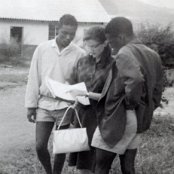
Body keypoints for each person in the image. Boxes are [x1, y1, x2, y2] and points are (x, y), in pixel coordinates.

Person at [69, 17, 163, 174]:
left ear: (121, 37)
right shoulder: (152, 54)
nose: (111, 46)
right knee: (127, 165)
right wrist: (147, 107)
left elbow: (136, 80)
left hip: (121, 117)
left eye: (111, 41)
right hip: (140, 117)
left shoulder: (125, 52)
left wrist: (130, 104)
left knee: (100, 165)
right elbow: (158, 88)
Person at [25, 14, 85, 174]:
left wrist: (75, 103)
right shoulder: (42, 48)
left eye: (72, 34)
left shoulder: (79, 53)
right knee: (40, 145)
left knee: (61, 146)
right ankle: (49, 171)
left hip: (66, 106)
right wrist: (31, 106)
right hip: (44, 104)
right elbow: (33, 77)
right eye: (64, 33)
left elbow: (82, 83)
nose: (68, 37)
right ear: (57, 29)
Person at [68, 26, 114, 174]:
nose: (90, 50)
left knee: (96, 163)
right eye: (88, 46)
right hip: (81, 115)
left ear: (105, 43)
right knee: (81, 164)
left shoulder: (113, 65)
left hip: (100, 118)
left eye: (94, 46)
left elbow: (114, 95)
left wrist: (88, 94)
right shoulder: (82, 62)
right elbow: (73, 82)